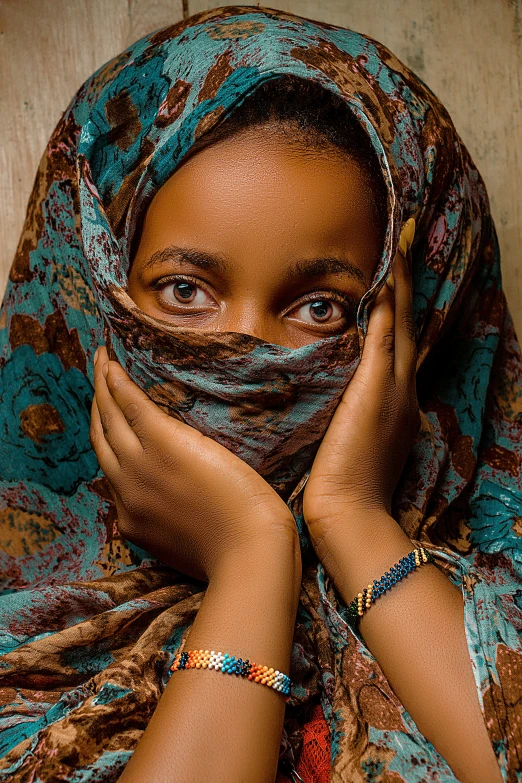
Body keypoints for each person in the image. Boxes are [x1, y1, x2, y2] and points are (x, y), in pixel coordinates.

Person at [0, 5, 519, 782]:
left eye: (320, 306)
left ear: (415, 321)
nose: (246, 347)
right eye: (185, 289)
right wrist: (254, 559)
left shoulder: (497, 583)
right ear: (90, 293)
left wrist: (352, 517)